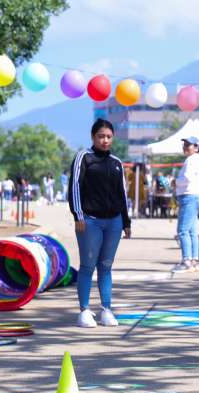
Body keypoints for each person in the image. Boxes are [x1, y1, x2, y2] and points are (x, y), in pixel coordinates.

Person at [69, 118, 132, 328]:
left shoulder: (116, 162)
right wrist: (78, 215)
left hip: (113, 222)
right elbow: (75, 187)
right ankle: (84, 311)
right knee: (88, 265)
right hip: (89, 221)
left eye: (108, 137)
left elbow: (122, 193)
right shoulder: (83, 158)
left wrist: (126, 221)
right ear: (93, 137)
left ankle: (106, 309)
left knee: (106, 266)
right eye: (100, 136)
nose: (105, 140)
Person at [172, 136, 199, 273]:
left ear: (196, 147)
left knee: (183, 230)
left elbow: (187, 177)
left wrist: (176, 182)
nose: (185, 147)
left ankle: (186, 261)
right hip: (196, 195)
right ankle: (193, 260)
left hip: (189, 196)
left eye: (189, 145)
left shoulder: (191, 160)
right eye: (184, 144)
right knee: (192, 231)